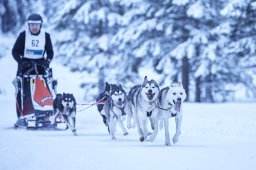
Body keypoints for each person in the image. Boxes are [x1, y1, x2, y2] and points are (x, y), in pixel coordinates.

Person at [12, 13, 54, 119]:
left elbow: (50, 52)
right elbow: (15, 51)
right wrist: (21, 61)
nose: (34, 27)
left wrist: (47, 61)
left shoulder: (46, 36)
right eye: (32, 24)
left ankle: (46, 113)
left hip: (40, 65)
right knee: (21, 90)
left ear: (40, 25)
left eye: (36, 24)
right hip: (25, 65)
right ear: (28, 25)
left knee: (45, 87)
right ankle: (22, 115)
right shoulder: (23, 35)